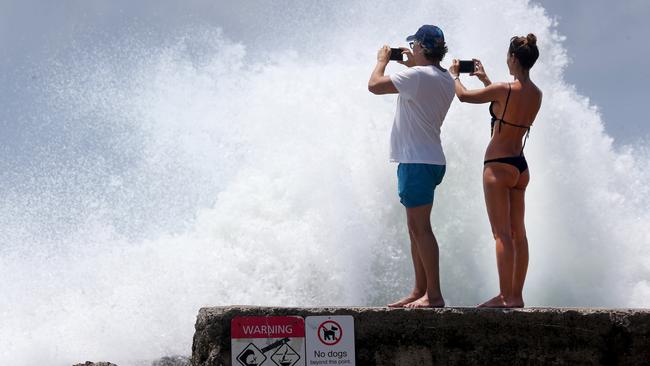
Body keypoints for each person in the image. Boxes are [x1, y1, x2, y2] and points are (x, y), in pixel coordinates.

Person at [449, 34, 542, 308]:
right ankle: (516, 295)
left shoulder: (504, 88)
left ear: (513, 58)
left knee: (501, 234)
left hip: (498, 165)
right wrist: (485, 80)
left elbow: (464, 97)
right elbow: (507, 109)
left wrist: (455, 75)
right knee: (519, 234)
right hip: (520, 167)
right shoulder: (536, 93)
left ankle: (503, 296)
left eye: (507, 55)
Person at [368, 25, 455, 308]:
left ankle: (434, 295)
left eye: (414, 46)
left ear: (420, 47)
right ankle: (420, 289)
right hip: (429, 158)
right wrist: (411, 64)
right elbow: (421, 85)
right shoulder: (445, 78)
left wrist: (382, 60)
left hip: (417, 160)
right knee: (415, 228)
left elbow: (374, 85)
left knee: (421, 228)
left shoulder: (416, 76)